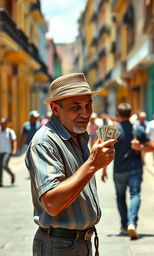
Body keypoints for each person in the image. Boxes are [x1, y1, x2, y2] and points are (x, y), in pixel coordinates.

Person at [25, 73, 117, 256]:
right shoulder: (45, 142)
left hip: (81, 242)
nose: (85, 114)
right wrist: (92, 164)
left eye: (88, 105)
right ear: (55, 109)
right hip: (59, 245)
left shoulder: (79, 136)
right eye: (76, 107)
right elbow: (51, 203)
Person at [101, 103, 154, 239]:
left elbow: (104, 150)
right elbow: (151, 148)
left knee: (120, 196)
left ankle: (124, 225)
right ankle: (132, 222)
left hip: (119, 169)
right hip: (135, 168)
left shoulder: (112, 130)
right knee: (135, 194)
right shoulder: (138, 129)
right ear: (131, 115)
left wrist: (104, 170)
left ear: (118, 115)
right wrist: (140, 147)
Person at [0, 117, 17, 186]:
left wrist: (14, 149)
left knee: (4, 165)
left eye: (3, 123)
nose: (2, 125)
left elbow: (14, 141)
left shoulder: (10, 131)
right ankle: (0, 182)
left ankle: (12, 175)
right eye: (1, 123)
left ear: (6, 124)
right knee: (0, 167)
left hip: (7, 151)